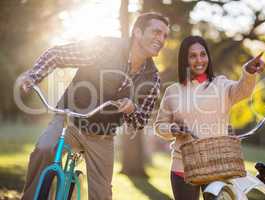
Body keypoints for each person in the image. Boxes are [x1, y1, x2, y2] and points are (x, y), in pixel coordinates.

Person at [18, 12, 169, 200]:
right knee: (44, 148)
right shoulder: (103, 48)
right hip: (69, 120)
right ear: (137, 32)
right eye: (156, 32)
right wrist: (34, 75)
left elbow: (141, 121)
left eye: (165, 35)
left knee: (102, 194)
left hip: (102, 134)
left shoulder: (152, 78)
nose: (161, 39)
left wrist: (132, 109)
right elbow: (57, 55)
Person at [154, 35, 265, 200]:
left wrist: (248, 72)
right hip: (182, 167)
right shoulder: (172, 91)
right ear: (184, 59)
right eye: (193, 56)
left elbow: (242, 90)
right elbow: (159, 126)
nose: (199, 60)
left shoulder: (221, 85)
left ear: (208, 57)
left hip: (218, 167)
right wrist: (172, 129)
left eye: (203, 54)